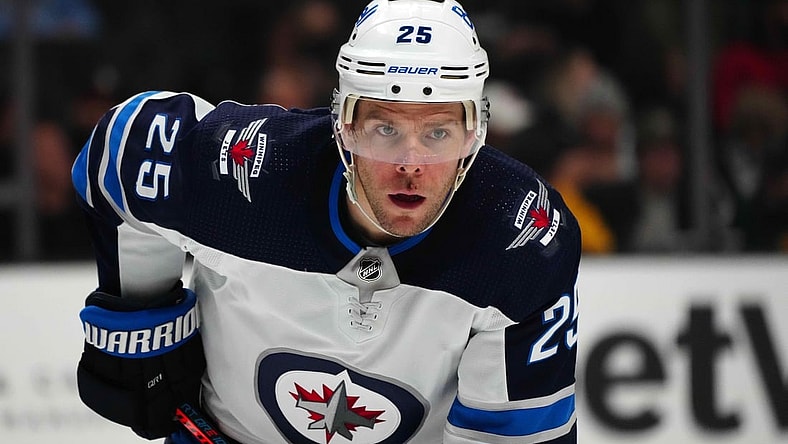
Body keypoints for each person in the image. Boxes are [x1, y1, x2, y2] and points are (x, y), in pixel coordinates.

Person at [71, 1, 580, 443]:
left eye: (438, 133)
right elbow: (125, 141)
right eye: (384, 127)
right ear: (344, 124)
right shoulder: (251, 173)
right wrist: (141, 312)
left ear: (475, 133)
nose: (411, 163)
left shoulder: (522, 235)